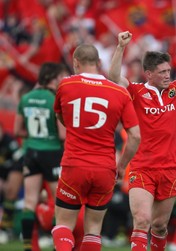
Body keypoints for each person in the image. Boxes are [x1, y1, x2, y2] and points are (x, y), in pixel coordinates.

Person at [108, 26, 176, 251]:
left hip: (169, 168)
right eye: (163, 72)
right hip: (142, 167)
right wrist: (120, 47)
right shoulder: (137, 91)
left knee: (158, 226)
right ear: (149, 74)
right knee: (142, 221)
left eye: (169, 70)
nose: (168, 75)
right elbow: (114, 77)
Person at [51, 44, 141, 251]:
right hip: (105, 168)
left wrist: (75, 127)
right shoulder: (120, 92)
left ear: (75, 63)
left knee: (63, 225)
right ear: (99, 63)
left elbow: (60, 115)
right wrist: (122, 166)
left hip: (74, 165)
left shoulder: (65, 85)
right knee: (93, 230)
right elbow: (135, 136)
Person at [14, 62, 68, 251]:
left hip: (31, 152)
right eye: (61, 76)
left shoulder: (26, 97)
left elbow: (17, 130)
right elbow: (63, 135)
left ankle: (28, 246)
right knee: (58, 202)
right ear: (54, 78)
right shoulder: (55, 98)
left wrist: (36, 136)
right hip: (52, 152)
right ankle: (57, 246)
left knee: (29, 201)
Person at [0, 122, 22, 243]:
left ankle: (5, 229)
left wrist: (7, 179)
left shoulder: (9, 142)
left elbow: (18, 159)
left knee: (10, 191)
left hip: (11, 174)